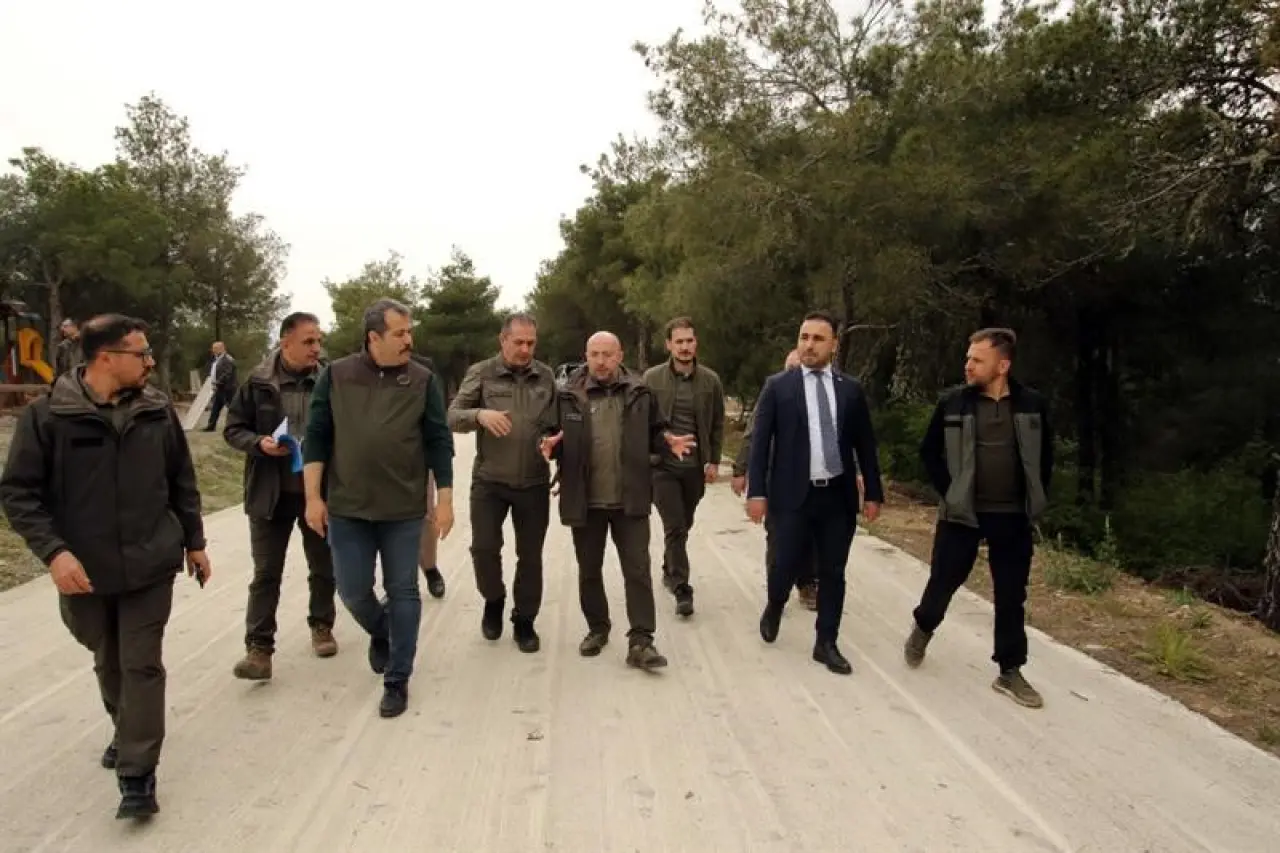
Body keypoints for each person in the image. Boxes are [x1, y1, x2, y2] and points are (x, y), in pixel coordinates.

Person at [0, 313, 212, 819]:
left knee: (140, 663)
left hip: (150, 560)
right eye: (141, 353)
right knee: (107, 655)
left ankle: (137, 775)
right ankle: (126, 726)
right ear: (106, 358)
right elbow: (19, 493)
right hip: (84, 568)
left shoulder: (157, 412)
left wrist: (195, 542)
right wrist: (55, 553)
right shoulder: (48, 416)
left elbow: (181, 481)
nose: (150, 362)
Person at [303, 298, 455, 719]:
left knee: (403, 590)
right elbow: (316, 437)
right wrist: (313, 497)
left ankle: (397, 678)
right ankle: (383, 630)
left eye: (410, 332)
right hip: (348, 507)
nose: (409, 340)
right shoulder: (336, 375)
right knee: (352, 591)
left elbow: (439, 442)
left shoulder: (423, 380)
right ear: (374, 337)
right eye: (400, 333)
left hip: (403, 508)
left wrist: (444, 500)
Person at [904, 327, 1052, 709]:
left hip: (1012, 516)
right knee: (943, 582)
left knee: (1011, 596)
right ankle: (923, 626)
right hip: (962, 514)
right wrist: (950, 491)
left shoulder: (1032, 404)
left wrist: (1036, 497)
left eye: (977, 360)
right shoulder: (953, 403)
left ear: (1002, 365)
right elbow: (929, 452)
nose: (968, 365)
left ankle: (1010, 670)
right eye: (967, 358)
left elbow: (1044, 456)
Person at [540, 331, 694, 669]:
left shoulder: (640, 392)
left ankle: (641, 640)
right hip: (586, 500)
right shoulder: (567, 395)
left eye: (607, 354)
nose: (601, 361)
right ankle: (598, 628)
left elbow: (657, 431)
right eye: (595, 354)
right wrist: (549, 444)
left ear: (620, 355)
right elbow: (551, 433)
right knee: (589, 570)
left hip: (631, 500)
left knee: (637, 571)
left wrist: (667, 441)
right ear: (586, 355)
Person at [747, 311, 884, 675]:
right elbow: (760, 444)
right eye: (804, 337)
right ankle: (775, 603)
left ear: (834, 345)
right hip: (792, 495)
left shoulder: (850, 390)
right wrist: (756, 492)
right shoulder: (779, 387)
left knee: (833, 571)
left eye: (818, 339)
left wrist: (873, 492)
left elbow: (865, 445)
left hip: (837, 497)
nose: (809, 345)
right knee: (785, 563)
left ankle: (826, 642)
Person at [223, 312, 338, 681]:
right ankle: (259, 649)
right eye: (308, 341)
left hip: (318, 494)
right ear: (285, 341)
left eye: (318, 340)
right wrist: (259, 443)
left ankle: (322, 625)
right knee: (266, 573)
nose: (316, 348)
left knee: (323, 566)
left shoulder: (331, 379)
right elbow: (233, 429)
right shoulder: (258, 383)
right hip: (270, 494)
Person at [447, 312, 557, 652]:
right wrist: (479, 414)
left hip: (533, 483)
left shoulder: (546, 376)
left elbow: (557, 424)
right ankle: (493, 600)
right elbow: (452, 416)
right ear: (502, 340)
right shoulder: (482, 373)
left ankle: (524, 620)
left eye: (531, 343)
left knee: (531, 557)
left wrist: (556, 442)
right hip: (489, 482)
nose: (525, 350)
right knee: (484, 549)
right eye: (518, 342)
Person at [642, 316, 726, 616]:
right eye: (679, 341)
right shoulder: (651, 379)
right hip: (661, 467)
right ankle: (681, 588)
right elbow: (640, 420)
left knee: (684, 525)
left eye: (689, 341)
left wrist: (713, 461)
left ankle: (670, 565)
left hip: (694, 469)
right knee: (675, 525)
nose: (685, 347)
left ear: (696, 342)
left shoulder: (710, 381)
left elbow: (717, 424)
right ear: (669, 345)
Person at [733, 348, 819, 610]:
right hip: (777, 478)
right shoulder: (773, 395)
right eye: (790, 369)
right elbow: (753, 436)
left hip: (813, 479)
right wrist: (740, 470)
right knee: (779, 536)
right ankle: (776, 588)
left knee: (811, 535)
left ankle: (807, 583)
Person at [411, 352, 448, 600]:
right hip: (377, 461)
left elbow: (438, 416)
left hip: (418, 457)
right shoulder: (363, 371)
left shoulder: (424, 368)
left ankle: (430, 568)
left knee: (425, 516)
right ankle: (401, 582)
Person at [203, 341, 237, 431]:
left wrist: (218, 382)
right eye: (213, 348)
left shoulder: (228, 359)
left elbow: (227, 374)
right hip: (219, 388)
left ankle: (236, 425)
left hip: (228, 389)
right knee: (215, 408)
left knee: (232, 408)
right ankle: (211, 426)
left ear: (222, 348)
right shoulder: (218, 359)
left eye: (215, 348)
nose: (213, 350)